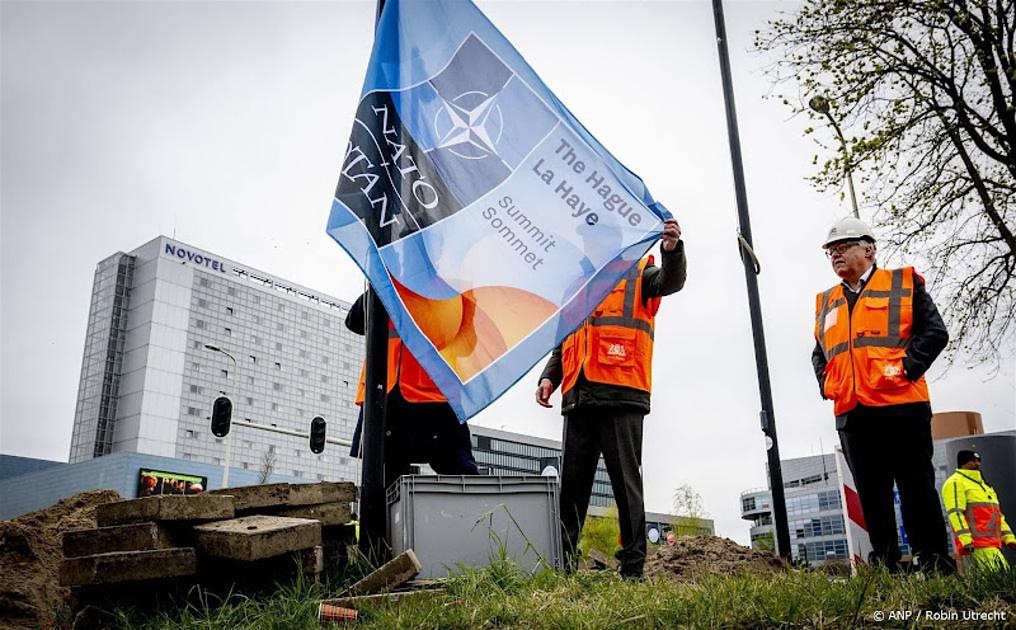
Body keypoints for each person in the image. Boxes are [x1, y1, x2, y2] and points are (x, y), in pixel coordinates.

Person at [535, 217, 686, 580]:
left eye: (598, 238)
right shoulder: (575, 287)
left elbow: (672, 281)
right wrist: (548, 377)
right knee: (571, 490)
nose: (592, 245)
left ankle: (632, 568)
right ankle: (564, 565)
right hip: (579, 396)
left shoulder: (640, 274)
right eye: (588, 239)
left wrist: (671, 250)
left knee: (626, 487)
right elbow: (564, 342)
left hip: (622, 393)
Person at [811, 217, 954, 574]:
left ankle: (934, 561)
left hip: (902, 406)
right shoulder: (827, 302)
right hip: (853, 412)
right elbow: (819, 353)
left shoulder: (902, 284)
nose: (835, 256)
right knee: (872, 494)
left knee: (915, 487)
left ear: (868, 249)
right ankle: (887, 564)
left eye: (842, 247)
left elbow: (935, 333)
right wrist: (829, 384)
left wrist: (905, 368)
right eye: (831, 251)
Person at [346, 292, 479, 487]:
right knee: (384, 480)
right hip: (387, 391)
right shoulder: (387, 285)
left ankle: (474, 513)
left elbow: (468, 343)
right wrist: (379, 281)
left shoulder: (454, 292)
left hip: (434, 393)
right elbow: (354, 321)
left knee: (459, 470)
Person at [941, 450, 1015, 571]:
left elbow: (998, 516)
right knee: (1001, 578)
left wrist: (1010, 539)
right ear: (963, 463)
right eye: (973, 461)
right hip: (977, 543)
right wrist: (965, 540)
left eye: (978, 461)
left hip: (992, 543)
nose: (977, 464)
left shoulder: (985, 486)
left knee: (998, 580)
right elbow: (955, 513)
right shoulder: (955, 482)